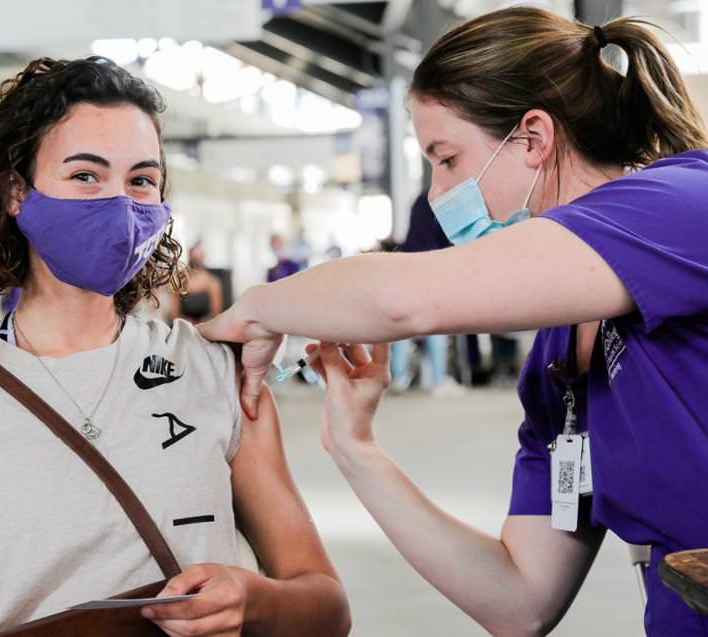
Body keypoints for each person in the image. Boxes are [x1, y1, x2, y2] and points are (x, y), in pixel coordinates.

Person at [0, 57, 350, 637]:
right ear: (14, 193)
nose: (120, 205)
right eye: (85, 176)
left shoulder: (214, 370)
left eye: (141, 180)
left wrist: (252, 599)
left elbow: (325, 606)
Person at [200, 8, 708, 635]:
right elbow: (519, 602)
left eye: (447, 160)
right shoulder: (559, 361)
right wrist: (355, 449)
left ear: (532, 139)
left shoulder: (683, 206)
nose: (439, 198)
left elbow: (402, 300)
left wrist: (255, 309)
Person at [387, 192, 465, 398]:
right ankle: (438, 380)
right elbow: (448, 237)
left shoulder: (420, 200)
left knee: (403, 328)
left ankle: (397, 377)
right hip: (431, 265)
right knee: (435, 328)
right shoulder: (444, 201)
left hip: (407, 263)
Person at [171, 241, 223, 323]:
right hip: (184, 325)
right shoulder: (180, 281)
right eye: (194, 258)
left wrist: (201, 325)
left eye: (198, 257)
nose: (196, 261)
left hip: (206, 325)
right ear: (189, 257)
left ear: (203, 257)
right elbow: (174, 312)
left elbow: (216, 312)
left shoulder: (212, 282)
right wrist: (187, 324)